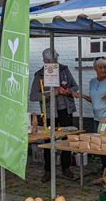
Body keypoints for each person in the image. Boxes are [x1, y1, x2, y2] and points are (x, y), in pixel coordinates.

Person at [30, 48, 79, 181]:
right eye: (50, 61)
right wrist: (52, 93)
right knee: (48, 141)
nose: (54, 63)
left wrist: (67, 91)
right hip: (49, 112)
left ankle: (66, 167)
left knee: (66, 139)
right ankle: (48, 170)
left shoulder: (64, 70)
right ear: (44, 61)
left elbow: (75, 87)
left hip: (65, 110)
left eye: (55, 60)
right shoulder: (39, 75)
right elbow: (33, 96)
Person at [80, 58, 106, 183]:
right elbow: (95, 100)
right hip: (98, 120)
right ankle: (105, 171)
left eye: (105, 67)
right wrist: (82, 96)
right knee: (101, 147)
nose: (103, 70)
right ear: (95, 69)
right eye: (100, 67)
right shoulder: (92, 82)